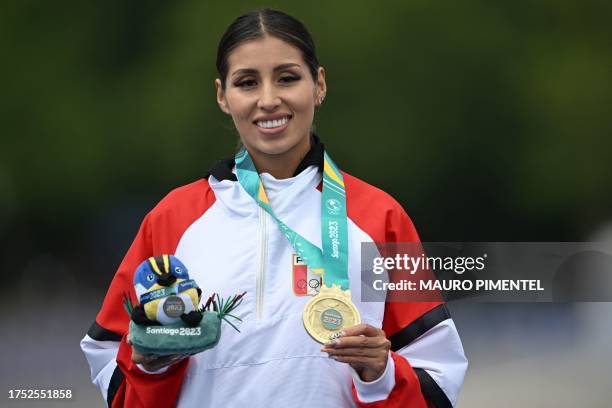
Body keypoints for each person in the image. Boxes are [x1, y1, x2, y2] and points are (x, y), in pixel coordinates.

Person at [80, 8, 467, 408]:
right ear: (222, 96)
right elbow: (110, 359)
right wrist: (151, 364)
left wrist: (381, 374)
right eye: (247, 83)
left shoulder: (379, 217)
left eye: (287, 78)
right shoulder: (173, 219)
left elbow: (437, 378)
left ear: (318, 85)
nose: (269, 99)